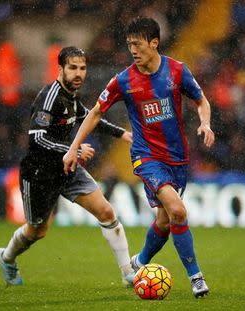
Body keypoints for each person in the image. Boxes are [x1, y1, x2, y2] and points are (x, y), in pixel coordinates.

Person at [63, 17, 215, 298]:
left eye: (137, 44)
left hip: (177, 159)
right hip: (146, 157)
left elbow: (201, 100)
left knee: (165, 222)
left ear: (154, 43)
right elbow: (95, 112)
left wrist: (205, 123)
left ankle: (139, 262)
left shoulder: (177, 71)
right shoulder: (123, 80)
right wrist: (73, 147)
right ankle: (196, 277)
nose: (132, 49)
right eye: (129, 44)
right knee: (178, 211)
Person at [0, 46, 136, 287]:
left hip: (67, 168)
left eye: (82, 68)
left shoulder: (72, 95)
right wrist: (75, 149)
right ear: (60, 69)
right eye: (73, 68)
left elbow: (89, 117)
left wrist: (122, 134)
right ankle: (6, 257)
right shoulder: (50, 97)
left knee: (106, 212)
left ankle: (127, 274)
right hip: (39, 173)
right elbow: (37, 138)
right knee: (36, 231)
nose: (78, 73)